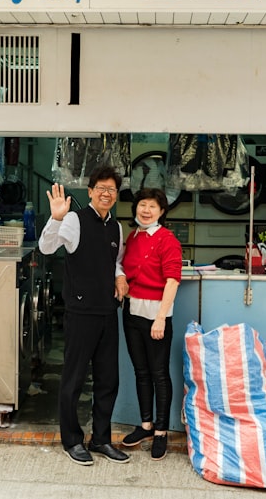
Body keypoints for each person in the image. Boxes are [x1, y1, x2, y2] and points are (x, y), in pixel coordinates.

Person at [38, 165, 130, 466]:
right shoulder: (75, 220)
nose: (106, 194)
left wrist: (119, 276)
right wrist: (56, 217)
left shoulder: (116, 227)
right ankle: (72, 440)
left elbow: (114, 261)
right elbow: (47, 247)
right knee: (74, 379)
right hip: (80, 312)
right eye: (100, 188)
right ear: (90, 191)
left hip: (107, 311)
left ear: (116, 196)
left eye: (112, 190)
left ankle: (101, 439)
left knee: (108, 380)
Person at [118, 187, 182, 461]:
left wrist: (160, 318)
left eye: (152, 206)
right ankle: (145, 425)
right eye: (142, 205)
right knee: (141, 371)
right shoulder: (132, 237)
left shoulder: (167, 240)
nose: (145, 210)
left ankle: (161, 431)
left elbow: (172, 280)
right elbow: (120, 266)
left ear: (162, 211)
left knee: (159, 373)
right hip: (132, 312)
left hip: (157, 315)